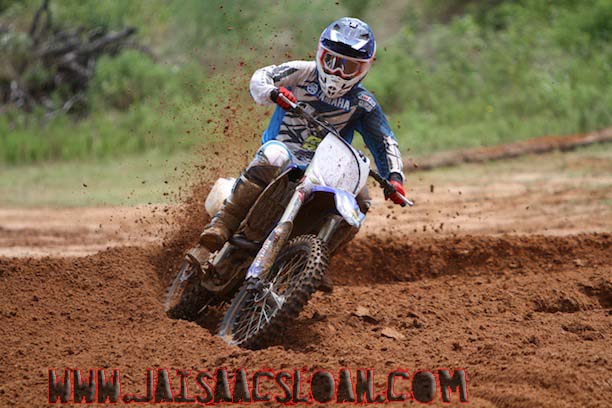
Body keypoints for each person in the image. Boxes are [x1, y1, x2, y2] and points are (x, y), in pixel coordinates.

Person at [199, 17, 407, 255]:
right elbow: (262, 77)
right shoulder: (301, 72)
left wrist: (394, 177)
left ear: (363, 68)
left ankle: (317, 258)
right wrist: (273, 92)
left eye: (348, 67)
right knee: (273, 156)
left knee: (361, 198)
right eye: (331, 61)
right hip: (283, 151)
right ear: (321, 54)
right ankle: (222, 223)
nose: (337, 72)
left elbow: (384, 141)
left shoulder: (363, 103)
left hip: (326, 169)